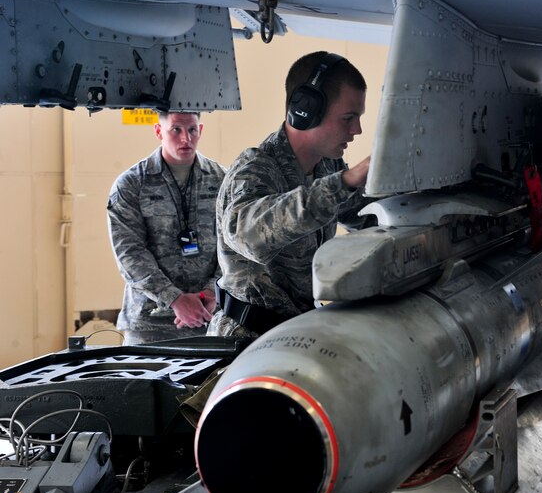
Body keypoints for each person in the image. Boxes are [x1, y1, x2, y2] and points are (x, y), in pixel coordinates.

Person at [208, 51, 371, 339]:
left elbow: (367, 215)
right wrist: (345, 182)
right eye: (348, 118)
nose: (356, 130)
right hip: (246, 344)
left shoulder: (327, 165)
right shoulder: (255, 169)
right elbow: (250, 237)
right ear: (306, 111)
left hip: (293, 336)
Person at [107, 111, 226, 345]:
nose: (185, 139)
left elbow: (235, 245)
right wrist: (175, 299)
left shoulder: (223, 179)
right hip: (150, 324)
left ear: (200, 130)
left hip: (210, 317)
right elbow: (129, 253)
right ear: (159, 131)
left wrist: (214, 291)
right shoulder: (131, 184)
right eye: (176, 130)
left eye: (192, 130)